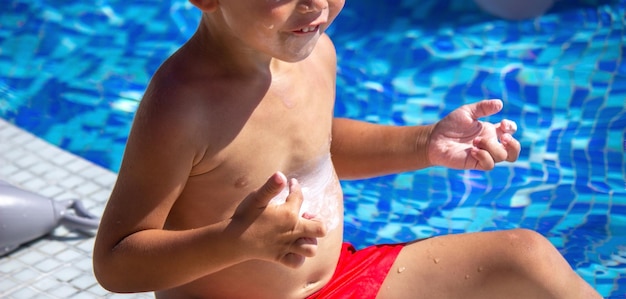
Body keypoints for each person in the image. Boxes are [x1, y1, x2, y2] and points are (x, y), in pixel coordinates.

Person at [93, 0, 602, 298]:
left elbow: (318, 147)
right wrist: (233, 242)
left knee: (525, 257)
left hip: (339, 281)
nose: (316, 4)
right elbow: (116, 263)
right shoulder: (182, 106)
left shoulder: (314, 55)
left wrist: (425, 142)